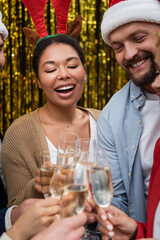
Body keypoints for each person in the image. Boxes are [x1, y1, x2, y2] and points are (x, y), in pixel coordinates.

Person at [1, 33, 100, 206]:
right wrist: (38, 186)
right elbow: (14, 211)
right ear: (38, 81)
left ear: (84, 70)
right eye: (50, 70)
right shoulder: (18, 134)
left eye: (72, 65)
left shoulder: (106, 120)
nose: (63, 74)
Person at [97, 0, 160, 223]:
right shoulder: (111, 116)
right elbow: (117, 200)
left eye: (139, 38)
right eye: (118, 47)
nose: (130, 53)